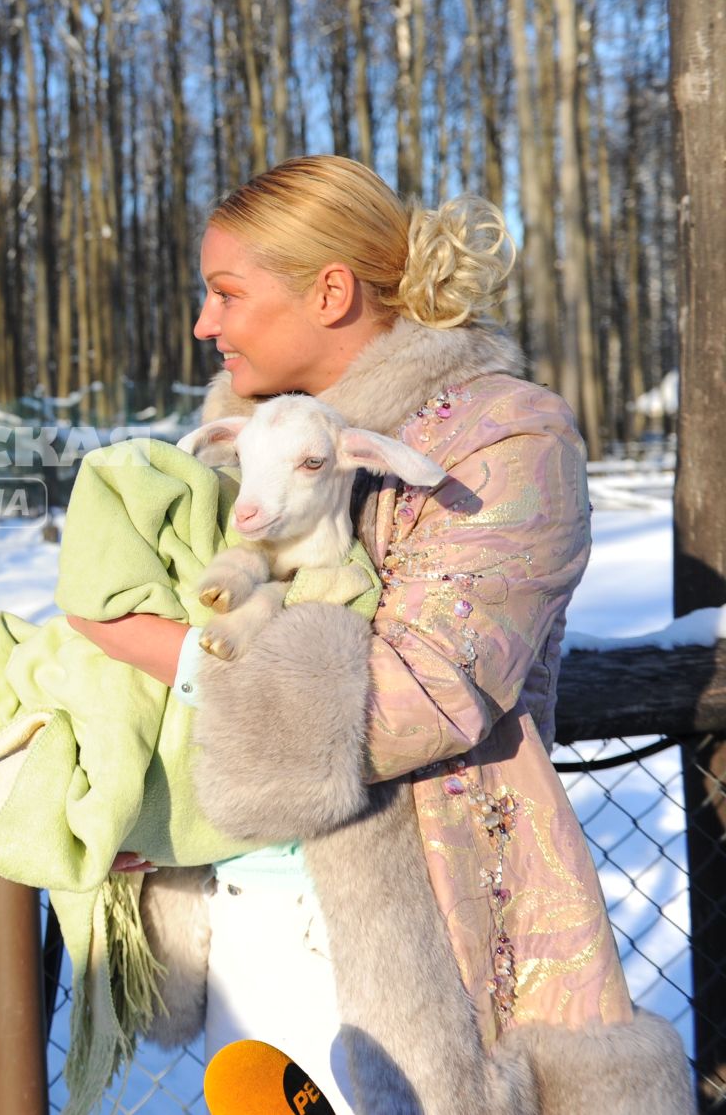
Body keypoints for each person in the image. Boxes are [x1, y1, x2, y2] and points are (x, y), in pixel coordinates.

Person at [69, 155, 693, 1113]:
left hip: (424, 954)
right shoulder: (243, 441)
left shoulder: (501, 444)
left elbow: (417, 701)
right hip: (244, 933)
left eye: (226, 293)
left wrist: (155, 644)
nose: (204, 324)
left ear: (328, 291)